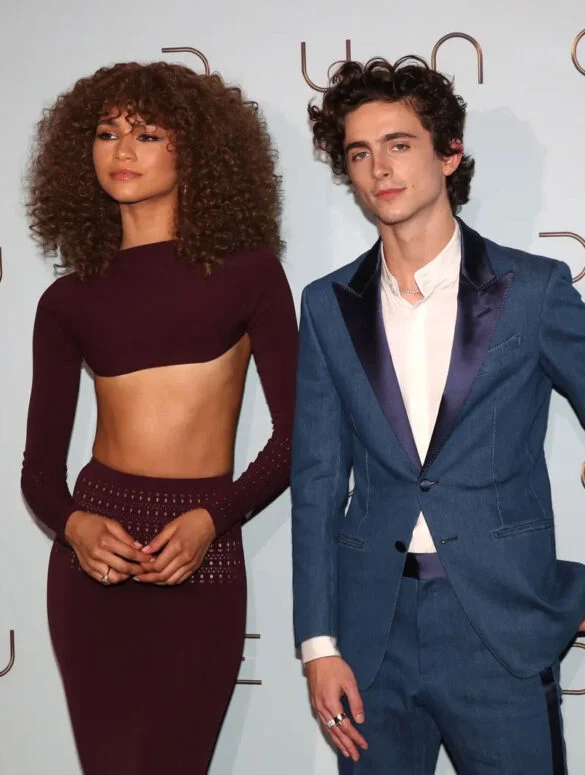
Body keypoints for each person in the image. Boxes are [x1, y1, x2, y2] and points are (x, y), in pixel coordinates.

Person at [291, 56, 585, 774]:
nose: (379, 168)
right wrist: (319, 645)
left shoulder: (534, 289)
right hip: (371, 632)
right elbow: (317, 481)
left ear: (449, 154)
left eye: (399, 144)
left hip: (500, 624)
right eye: (359, 153)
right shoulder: (327, 305)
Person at [22, 61, 297, 775]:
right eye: (107, 132)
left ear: (194, 152)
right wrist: (75, 526)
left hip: (202, 548)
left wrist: (215, 517)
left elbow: (300, 436)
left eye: (147, 134)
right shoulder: (67, 301)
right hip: (94, 561)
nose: (122, 150)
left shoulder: (250, 274)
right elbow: (39, 472)